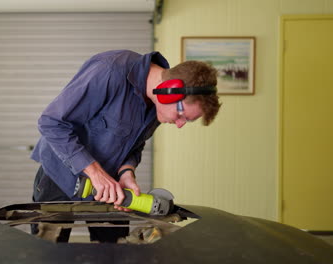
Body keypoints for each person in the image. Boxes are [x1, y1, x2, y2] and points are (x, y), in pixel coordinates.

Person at [30, 50, 221, 242]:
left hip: (111, 189)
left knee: (116, 254)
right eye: (182, 116)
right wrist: (95, 173)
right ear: (168, 92)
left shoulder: (156, 104)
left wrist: (126, 171)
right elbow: (51, 122)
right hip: (59, 178)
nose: (179, 124)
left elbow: (135, 144)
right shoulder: (109, 71)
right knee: (50, 254)